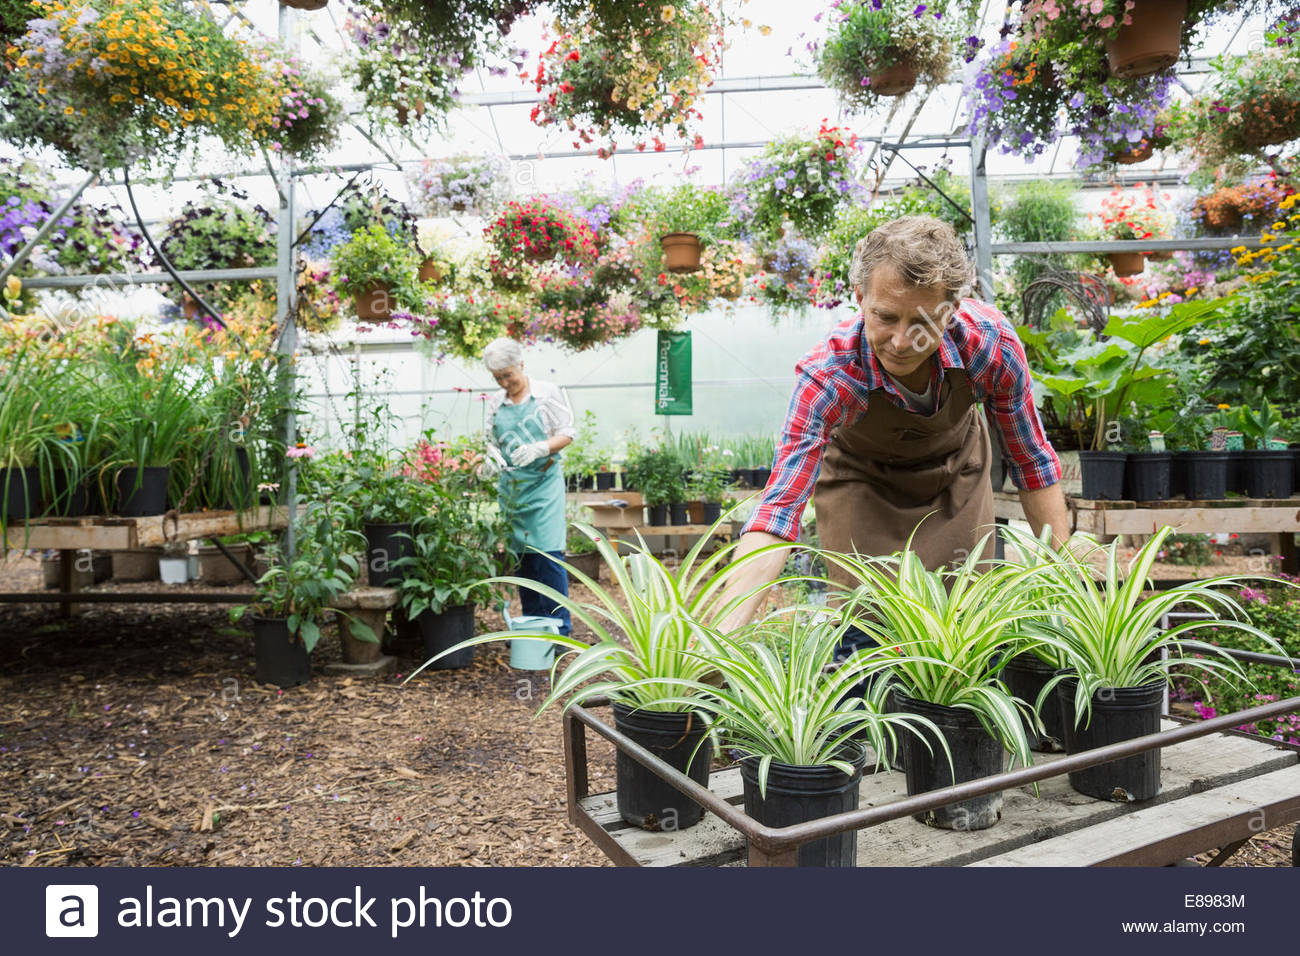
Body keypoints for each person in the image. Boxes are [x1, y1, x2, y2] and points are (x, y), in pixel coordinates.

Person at [719, 215, 1070, 638]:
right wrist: (725, 629)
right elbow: (779, 509)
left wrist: (1064, 584)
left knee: (961, 628)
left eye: (921, 322)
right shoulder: (830, 378)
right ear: (860, 297)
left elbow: (1030, 461)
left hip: (955, 480)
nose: (901, 342)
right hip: (862, 484)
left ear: (950, 309)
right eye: (885, 317)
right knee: (867, 628)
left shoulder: (990, 347)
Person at [479, 338, 576, 636]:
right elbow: (490, 442)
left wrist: (541, 448)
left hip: (543, 486)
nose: (505, 382)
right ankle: (533, 629)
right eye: (499, 378)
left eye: (509, 375)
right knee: (523, 561)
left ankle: (560, 631)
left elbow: (568, 432)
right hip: (512, 489)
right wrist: (490, 459)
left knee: (547, 558)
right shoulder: (496, 403)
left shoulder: (547, 393)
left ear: (521, 364)